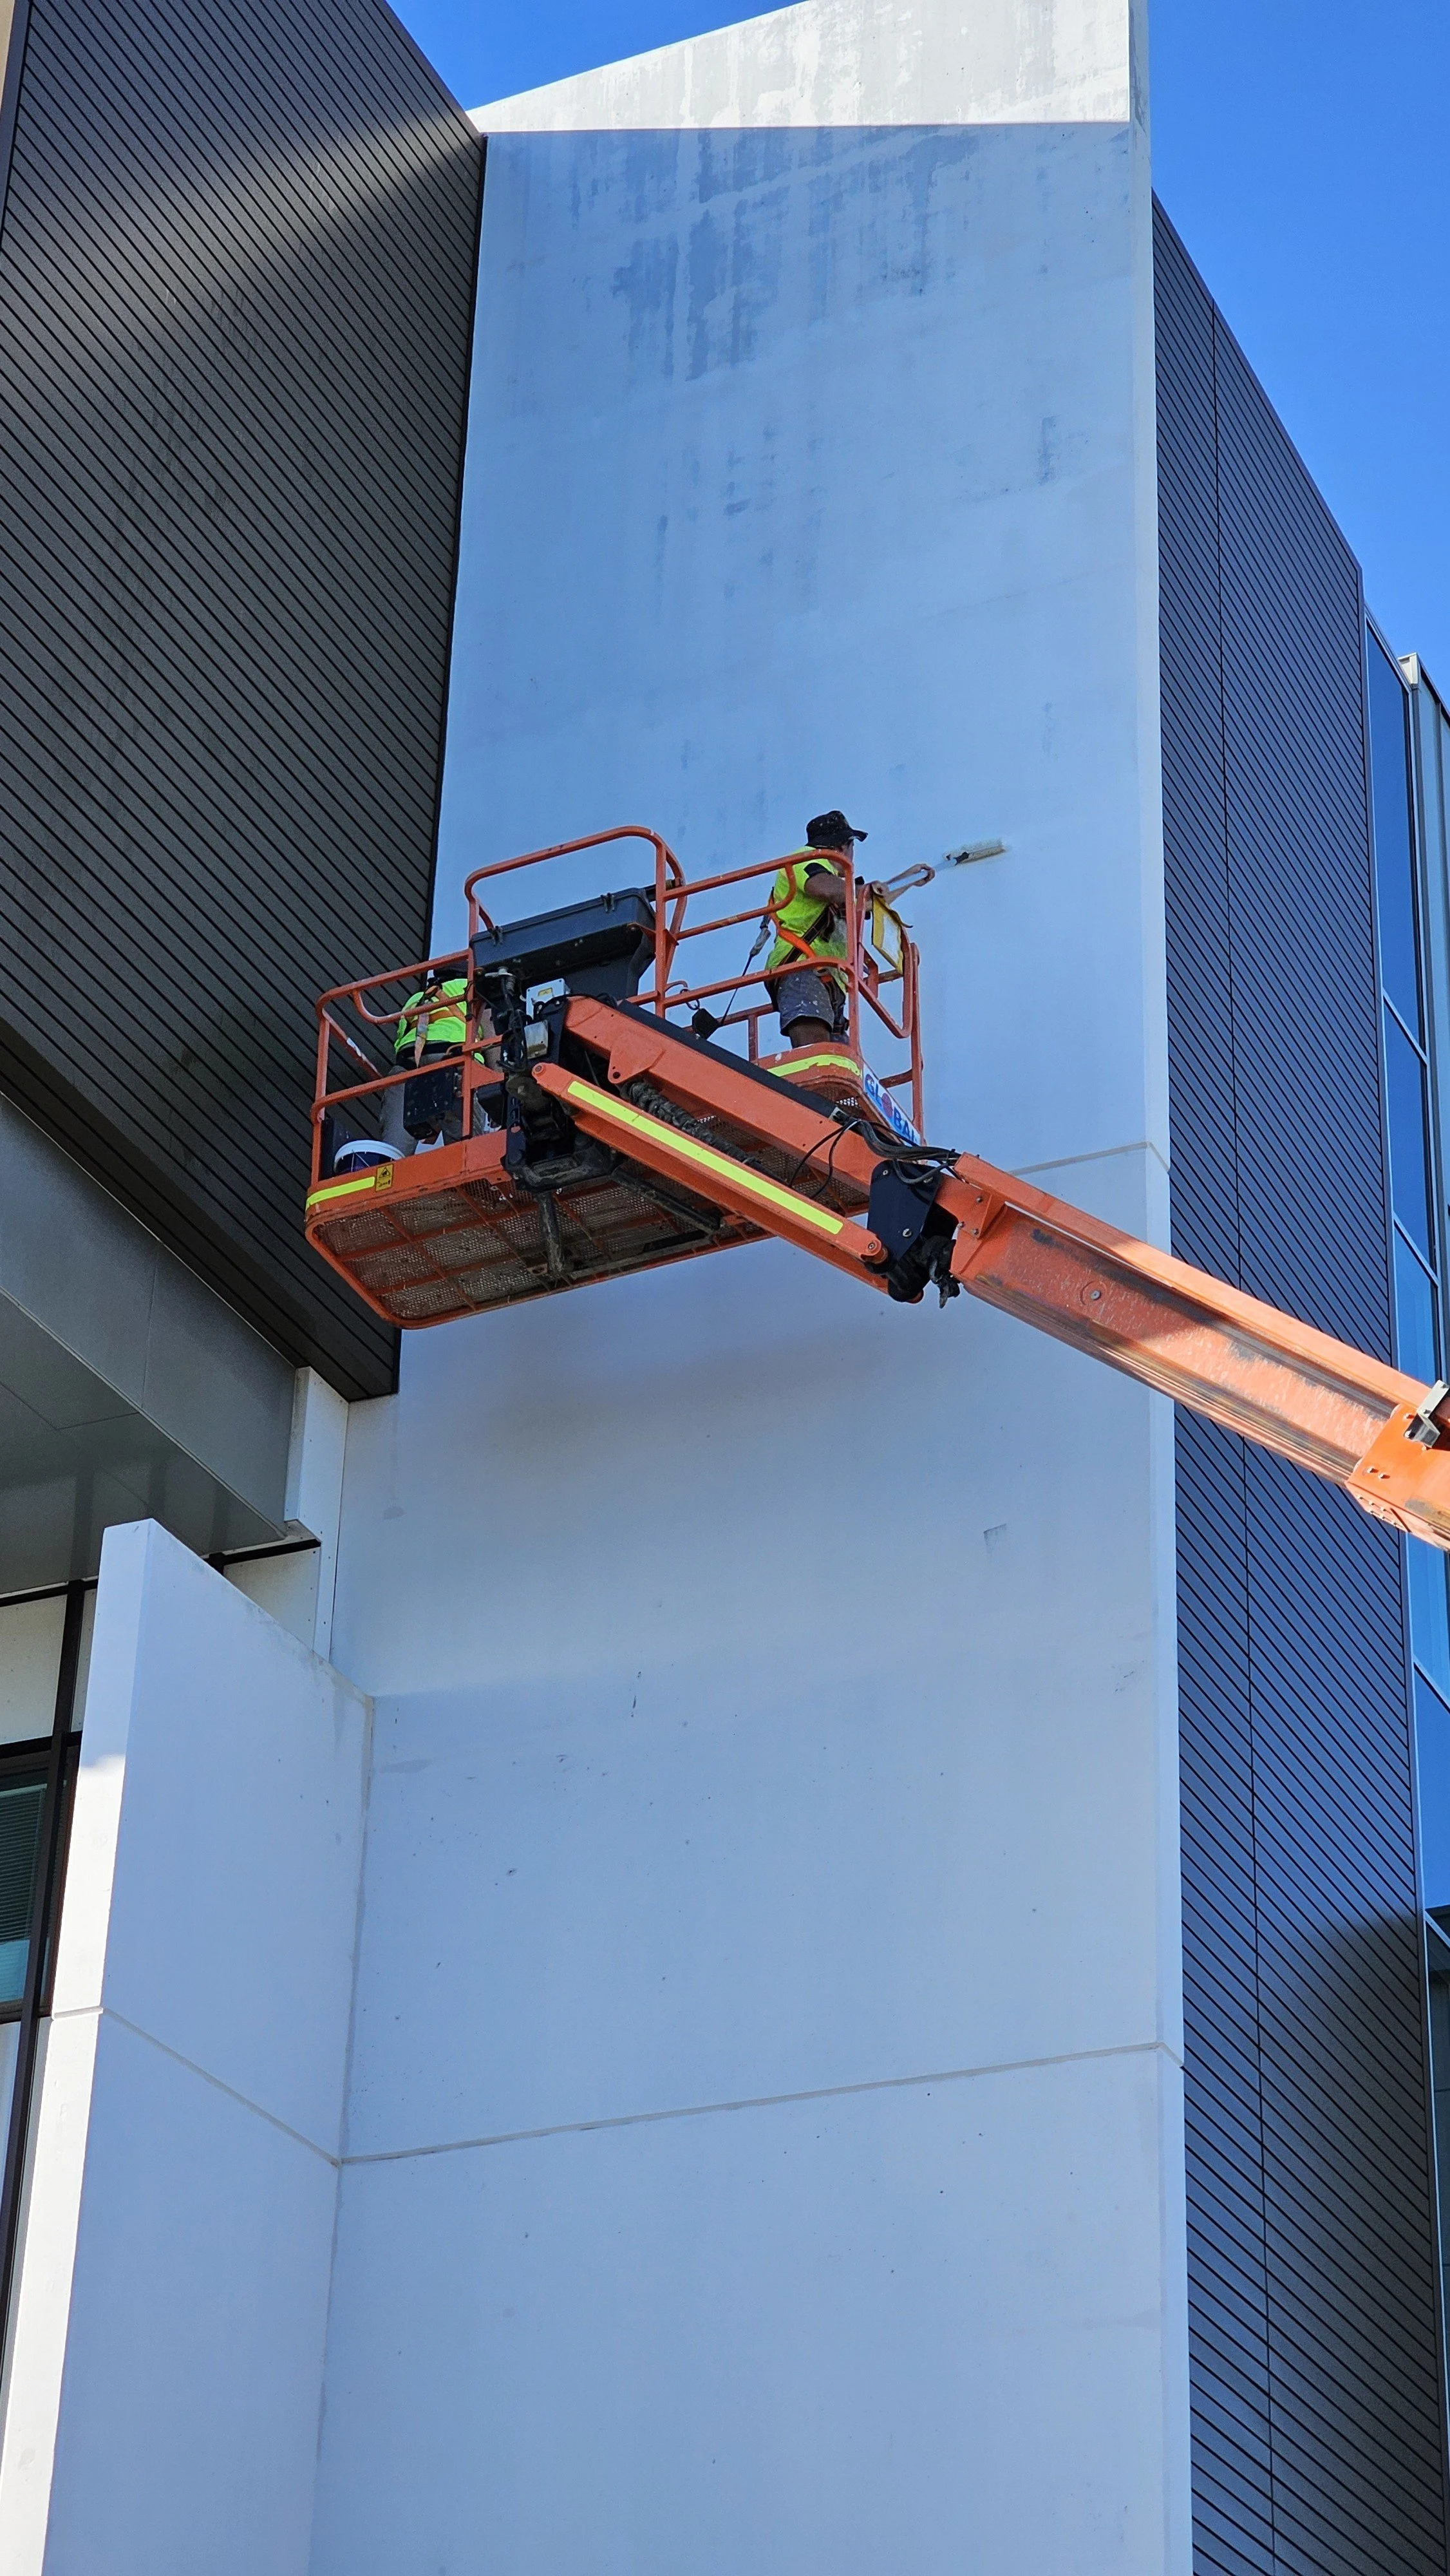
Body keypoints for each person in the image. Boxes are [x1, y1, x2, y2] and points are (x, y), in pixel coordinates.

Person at [764, 810, 868, 1048]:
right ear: (844, 846)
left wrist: (909, 879)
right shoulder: (808, 859)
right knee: (814, 1057)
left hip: (826, 978)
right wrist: (863, 891)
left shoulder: (838, 885)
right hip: (802, 968)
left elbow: (867, 903)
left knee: (835, 1064)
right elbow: (822, 886)